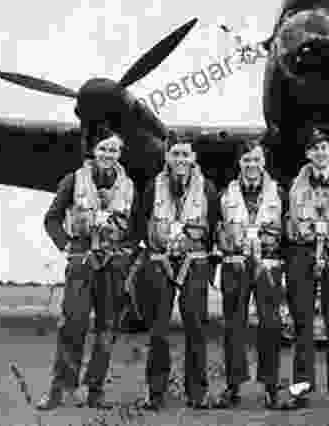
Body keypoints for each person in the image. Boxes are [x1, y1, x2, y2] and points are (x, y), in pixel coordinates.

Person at [36, 127, 138, 410]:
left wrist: (125, 253)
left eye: (114, 150)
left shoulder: (129, 186)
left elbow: (136, 226)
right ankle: (59, 390)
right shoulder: (73, 180)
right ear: (93, 150)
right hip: (82, 261)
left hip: (113, 265)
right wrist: (66, 246)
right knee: (72, 324)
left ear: (120, 154)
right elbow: (52, 219)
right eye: (103, 149)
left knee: (107, 328)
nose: (108, 155)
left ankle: (95, 390)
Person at [136, 131, 221, 411]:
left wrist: (203, 257)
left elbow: (214, 226)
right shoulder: (152, 187)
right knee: (158, 329)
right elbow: (141, 222)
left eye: (185, 154)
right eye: (176, 154)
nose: (181, 159)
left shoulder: (207, 188)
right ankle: (156, 392)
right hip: (160, 262)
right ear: (167, 157)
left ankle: (197, 392)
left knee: (196, 328)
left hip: (194, 263)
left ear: (193, 158)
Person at [282, 127, 329, 411]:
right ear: (307, 154)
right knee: (302, 324)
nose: (320, 152)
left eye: (325, 147)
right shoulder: (295, 185)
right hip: (303, 253)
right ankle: (300, 390)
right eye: (315, 148)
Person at [214, 138, 287, 409]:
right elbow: (216, 228)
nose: (251, 165)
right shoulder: (226, 194)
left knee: (270, 324)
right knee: (233, 325)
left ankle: (271, 387)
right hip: (236, 264)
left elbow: (288, 231)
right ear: (239, 164)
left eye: (256, 160)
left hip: (268, 266)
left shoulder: (279, 193)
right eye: (246, 160)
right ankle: (233, 386)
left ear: (264, 162)